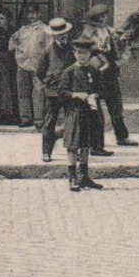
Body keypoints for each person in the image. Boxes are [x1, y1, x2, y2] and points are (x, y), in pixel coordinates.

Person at [46, 35, 104, 191]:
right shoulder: (69, 72)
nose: (82, 56)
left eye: (85, 53)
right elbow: (61, 92)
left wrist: (95, 95)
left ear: (89, 54)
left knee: (85, 144)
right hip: (74, 112)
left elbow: (101, 89)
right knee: (73, 144)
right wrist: (76, 95)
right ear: (74, 54)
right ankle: (72, 178)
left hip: (89, 113)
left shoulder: (94, 71)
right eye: (79, 53)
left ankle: (83, 177)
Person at [82, 5, 137, 146]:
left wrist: (122, 39)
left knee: (116, 106)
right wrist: (96, 48)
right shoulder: (87, 33)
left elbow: (117, 43)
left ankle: (122, 136)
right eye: (103, 16)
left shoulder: (109, 30)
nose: (106, 18)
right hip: (95, 75)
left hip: (110, 74)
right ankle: (93, 140)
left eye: (106, 16)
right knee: (93, 108)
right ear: (97, 18)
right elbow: (82, 48)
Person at [9, 3, 52, 129]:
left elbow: (49, 47)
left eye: (34, 13)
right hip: (22, 64)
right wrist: (16, 48)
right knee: (23, 92)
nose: (31, 15)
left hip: (38, 65)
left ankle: (38, 119)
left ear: (39, 14)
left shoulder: (45, 29)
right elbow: (12, 40)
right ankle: (25, 117)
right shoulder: (23, 29)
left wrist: (46, 63)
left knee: (38, 92)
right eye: (29, 13)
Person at [39, 18, 75, 161]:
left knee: (72, 121)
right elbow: (40, 71)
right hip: (52, 92)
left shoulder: (73, 49)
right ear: (53, 35)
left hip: (69, 92)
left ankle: (72, 151)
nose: (63, 36)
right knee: (49, 121)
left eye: (65, 33)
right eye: (59, 34)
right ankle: (46, 152)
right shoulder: (48, 50)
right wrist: (49, 82)